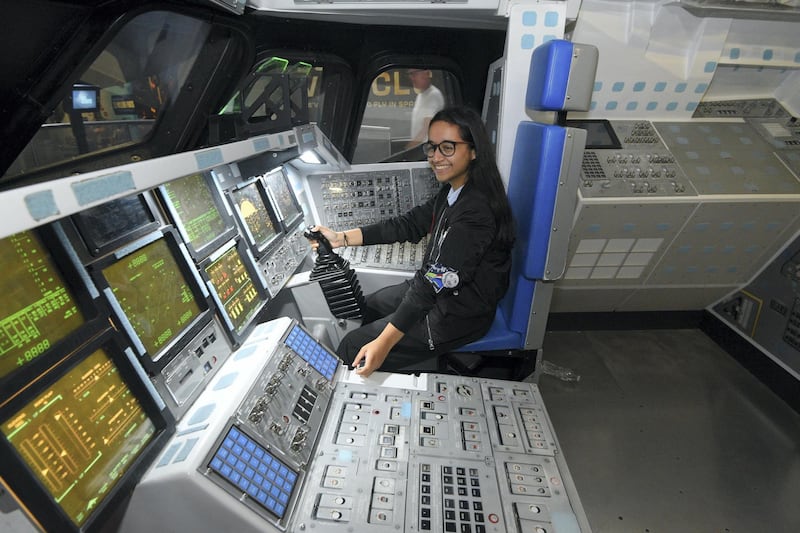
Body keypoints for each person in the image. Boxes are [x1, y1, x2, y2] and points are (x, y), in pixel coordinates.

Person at [308, 106, 514, 377]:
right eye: (432, 148)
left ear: (474, 151)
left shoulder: (476, 212)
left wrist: (382, 344)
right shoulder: (454, 192)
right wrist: (341, 238)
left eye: (448, 148)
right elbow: (408, 224)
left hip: (458, 315)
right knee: (371, 305)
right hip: (443, 297)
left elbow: (432, 284)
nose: (436, 157)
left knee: (351, 347)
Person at [406, 69, 444, 148]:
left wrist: (409, 149)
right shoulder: (420, 95)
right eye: (410, 74)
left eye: (415, 74)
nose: (412, 78)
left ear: (426, 73)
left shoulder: (433, 95)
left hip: (428, 151)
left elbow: (426, 128)